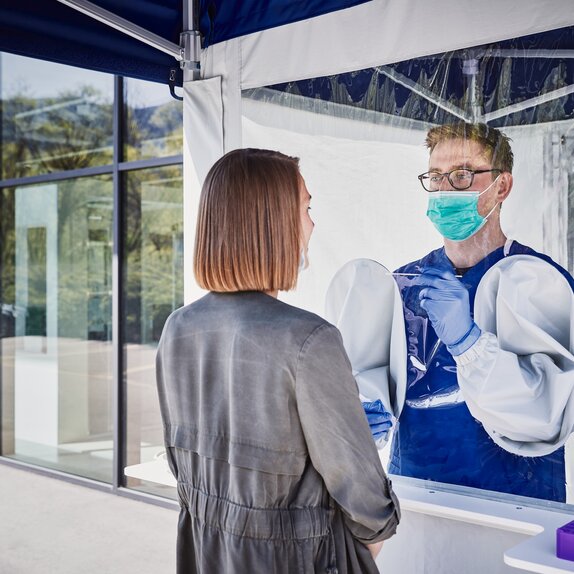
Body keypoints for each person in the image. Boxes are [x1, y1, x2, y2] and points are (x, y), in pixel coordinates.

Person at [156, 148, 400, 574]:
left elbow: (192, 460)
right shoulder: (309, 340)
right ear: (271, 221)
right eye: (305, 207)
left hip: (204, 555)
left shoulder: (177, 329)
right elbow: (364, 501)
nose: (311, 223)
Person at [365, 122, 574, 502]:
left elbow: (550, 412)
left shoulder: (540, 282)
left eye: (462, 175)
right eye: (435, 177)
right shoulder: (403, 285)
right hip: (417, 502)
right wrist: (361, 410)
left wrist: (468, 343)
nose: (445, 191)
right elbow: (372, 377)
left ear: (502, 187)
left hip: (517, 506)